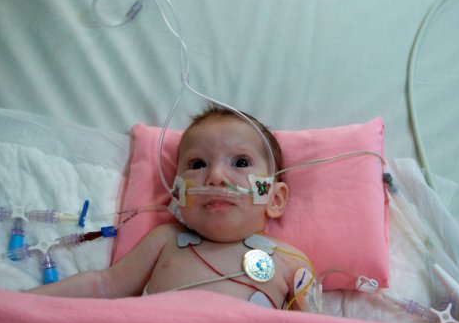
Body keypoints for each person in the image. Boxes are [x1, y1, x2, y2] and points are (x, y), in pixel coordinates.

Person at [28, 106, 314, 310]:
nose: (215, 176)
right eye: (197, 164)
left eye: (240, 162)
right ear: (178, 194)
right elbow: (103, 286)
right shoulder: (165, 241)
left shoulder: (290, 261)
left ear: (274, 199)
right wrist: (22, 302)